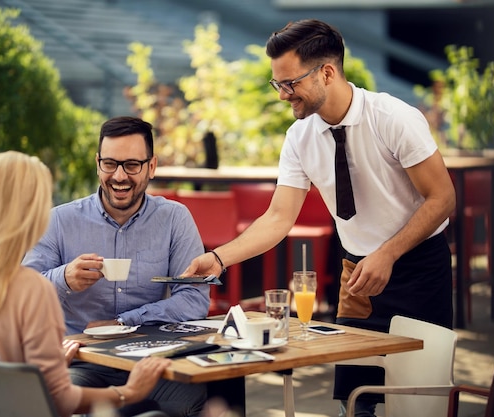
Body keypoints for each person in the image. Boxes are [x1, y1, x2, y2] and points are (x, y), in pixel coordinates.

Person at [183, 19, 456, 417]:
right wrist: (219, 257)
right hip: (357, 277)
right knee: (357, 402)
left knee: (417, 404)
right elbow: (278, 217)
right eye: (277, 84)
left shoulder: (393, 117)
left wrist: (389, 254)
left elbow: (443, 197)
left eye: (289, 83)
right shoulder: (299, 138)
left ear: (327, 72)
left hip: (418, 270)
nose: (282, 95)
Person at [0, 151, 171, 417]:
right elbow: (60, 400)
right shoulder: (32, 289)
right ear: (30, 211)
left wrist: (47, 368)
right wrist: (129, 392)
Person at [22, 116, 211, 417]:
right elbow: (22, 290)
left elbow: (194, 299)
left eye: (132, 165)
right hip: (84, 360)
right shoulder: (59, 220)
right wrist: (63, 278)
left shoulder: (175, 219)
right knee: (64, 402)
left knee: (189, 400)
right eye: (110, 164)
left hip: (151, 358)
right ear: (97, 164)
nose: (119, 176)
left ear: (151, 166)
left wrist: (124, 321)